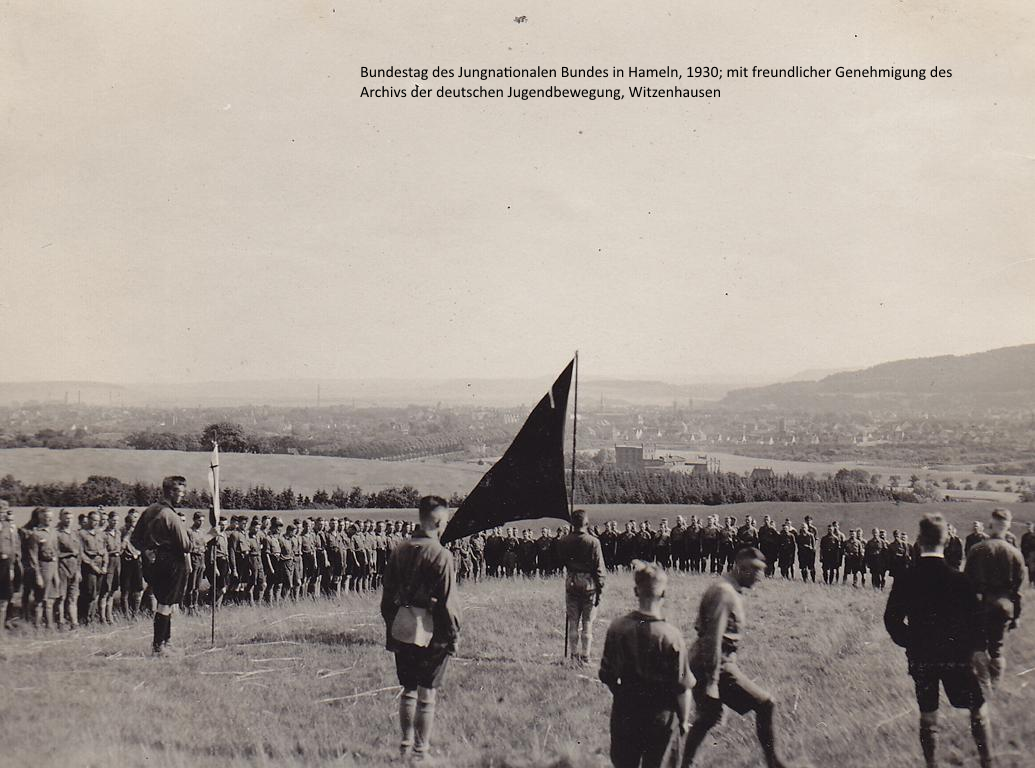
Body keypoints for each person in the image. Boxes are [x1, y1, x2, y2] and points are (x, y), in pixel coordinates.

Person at [884, 514, 993, 768]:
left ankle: (931, 763)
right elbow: (978, 623)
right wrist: (977, 650)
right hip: (957, 658)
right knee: (978, 707)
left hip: (922, 657)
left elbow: (892, 619)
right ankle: (987, 761)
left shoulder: (906, 577)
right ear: (945, 541)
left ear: (919, 540)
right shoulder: (960, 579)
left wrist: (910, 641)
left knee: (928, 713)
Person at [682, 547, 788, 768]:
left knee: (709, 716)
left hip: (710, 662)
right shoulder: (724, 593)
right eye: (757, 571)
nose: (761, 577)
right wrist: (712, 682)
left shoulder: (728, 589)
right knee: (766, 703)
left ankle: (684, 763)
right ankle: (775, 763)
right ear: (742, 568)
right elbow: (712, 638)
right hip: (713, 664)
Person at [380, 495, 460, 762]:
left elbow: (386, 599)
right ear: (438, 521)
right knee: (427, 694)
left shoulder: (399, 550)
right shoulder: (442, 554)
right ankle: (421, 752)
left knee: (408, 690)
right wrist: (453, 635)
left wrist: (394, 626)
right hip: (433, 631)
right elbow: (449, 604)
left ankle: (404, 746)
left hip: (403, 626)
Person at [599, 560, 692, 768]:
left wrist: (622, 693)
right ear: (664, 594)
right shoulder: (671, 635)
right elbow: (682, 688)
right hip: (661, 716)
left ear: (635, 590)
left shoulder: (617, 628)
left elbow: (607, 674)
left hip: (625, 711)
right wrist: (684, 721)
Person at [130, 475, 192, 656]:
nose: (183, 495)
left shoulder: (150, 510)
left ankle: (166, 642)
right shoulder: (170, 515)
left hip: (153, 564)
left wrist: (146, 550)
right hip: (171, 564)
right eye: (181, 492)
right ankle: (159, 646)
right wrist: (210, 535)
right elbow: (186, 545)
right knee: (165, 605)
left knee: (166, 603)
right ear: (171, 491)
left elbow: (135, 539)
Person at [964, 508, 1025, 690]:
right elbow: (1017, 591)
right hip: (1003, 606)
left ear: (990, 524)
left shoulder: (977, 549)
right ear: (1007, 526)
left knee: (978, 646)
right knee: (997, 648)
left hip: (979, 604)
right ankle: (996, 687)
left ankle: (984, 685)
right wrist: (1017, 615)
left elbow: (966, 584)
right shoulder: (1015, 553)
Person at [555, 508, 606, 665]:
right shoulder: (593, 542)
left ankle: (573, 654)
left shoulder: (563, 541)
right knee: (587, 623)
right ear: (586, 523)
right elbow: (599, 569)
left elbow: (559, 562)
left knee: (573, 621)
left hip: (571, 581)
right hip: (589, 584)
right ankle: (585, 656)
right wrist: (600, 588)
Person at [25, 507, 61, 630]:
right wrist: (38, 576)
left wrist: (56, 573)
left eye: (51, 517)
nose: (50, 519)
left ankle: (50, 625)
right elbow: (33, 557)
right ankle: (37, 626)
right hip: (42, 568)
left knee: (51, 599)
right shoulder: (35, 534)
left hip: (53, 567)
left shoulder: (53, 532)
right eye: (46, 517)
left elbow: (56, 552)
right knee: (40, 599)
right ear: (40, 517)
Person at [54, 508, 82, 630]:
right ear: (60, 518)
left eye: (71, 518)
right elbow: (54, 554)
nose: (69, 520)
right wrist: (69, 553)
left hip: (74, 568)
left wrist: (79, 570)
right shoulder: (56, 534)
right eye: (66, 518)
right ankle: (60, 622)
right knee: (61, 597)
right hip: (61, 568)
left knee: (73, 597)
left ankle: (74, 623)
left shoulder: (75, 533)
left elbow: (79, 553)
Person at [0, 500, 19, 633]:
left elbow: (14, 545)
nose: (2, 513)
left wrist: (12, 565)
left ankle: (6, 621)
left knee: (8, 593)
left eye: (4, 511)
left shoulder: (9, 526)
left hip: (8, 564)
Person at [1021, 521, 1035, 589]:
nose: (1029, 528)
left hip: (1033, 555)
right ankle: (1030, 583)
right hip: (1028, 556)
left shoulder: (1034, 536)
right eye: (1027, 526)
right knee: (1030, 570)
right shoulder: (1024, 536)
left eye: (1030, 526)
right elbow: (1022, 546)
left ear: (1032, 527)